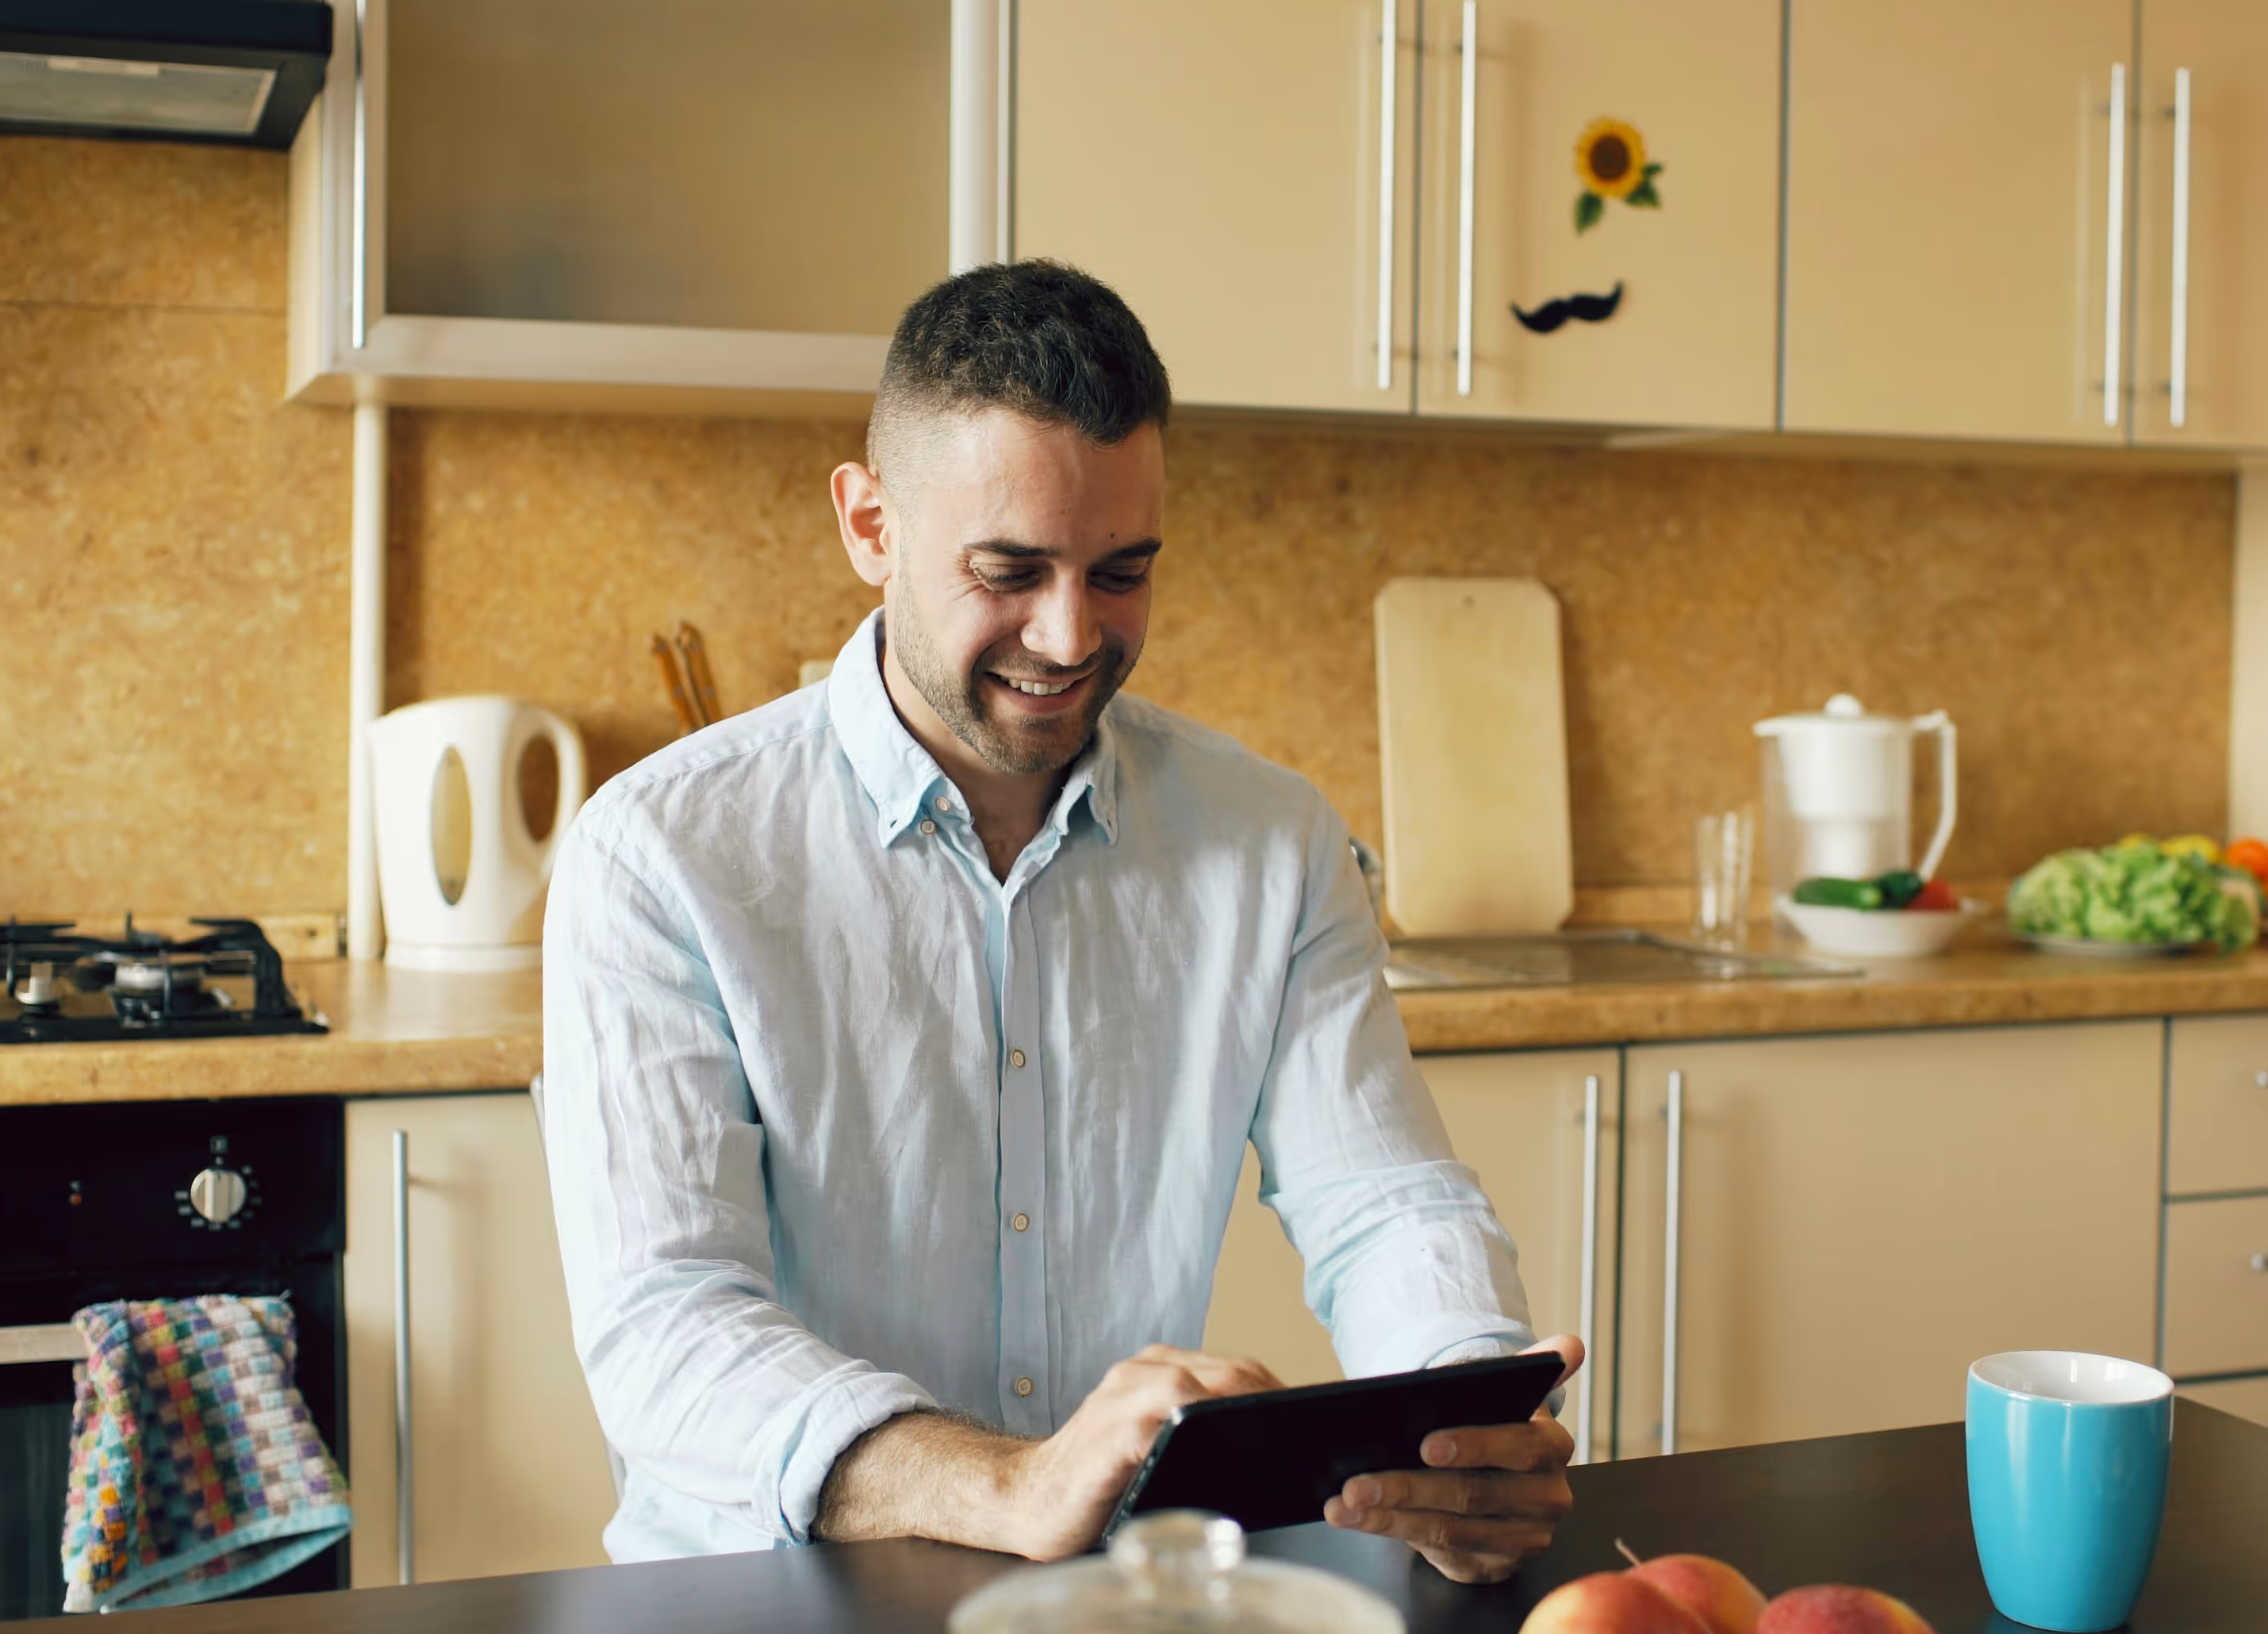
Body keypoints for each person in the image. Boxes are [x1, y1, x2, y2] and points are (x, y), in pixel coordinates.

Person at [540, 259, 1579, 1583]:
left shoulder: (1273, 841)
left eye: (1121, 570)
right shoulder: (663, 852)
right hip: (765, 1590)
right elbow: (668, 1325)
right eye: (1009, 569)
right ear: (869, 525)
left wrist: (1460, 1405)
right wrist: (1004, 1483)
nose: (1070, 632)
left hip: (1112, 1599)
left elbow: (1383, 1202)